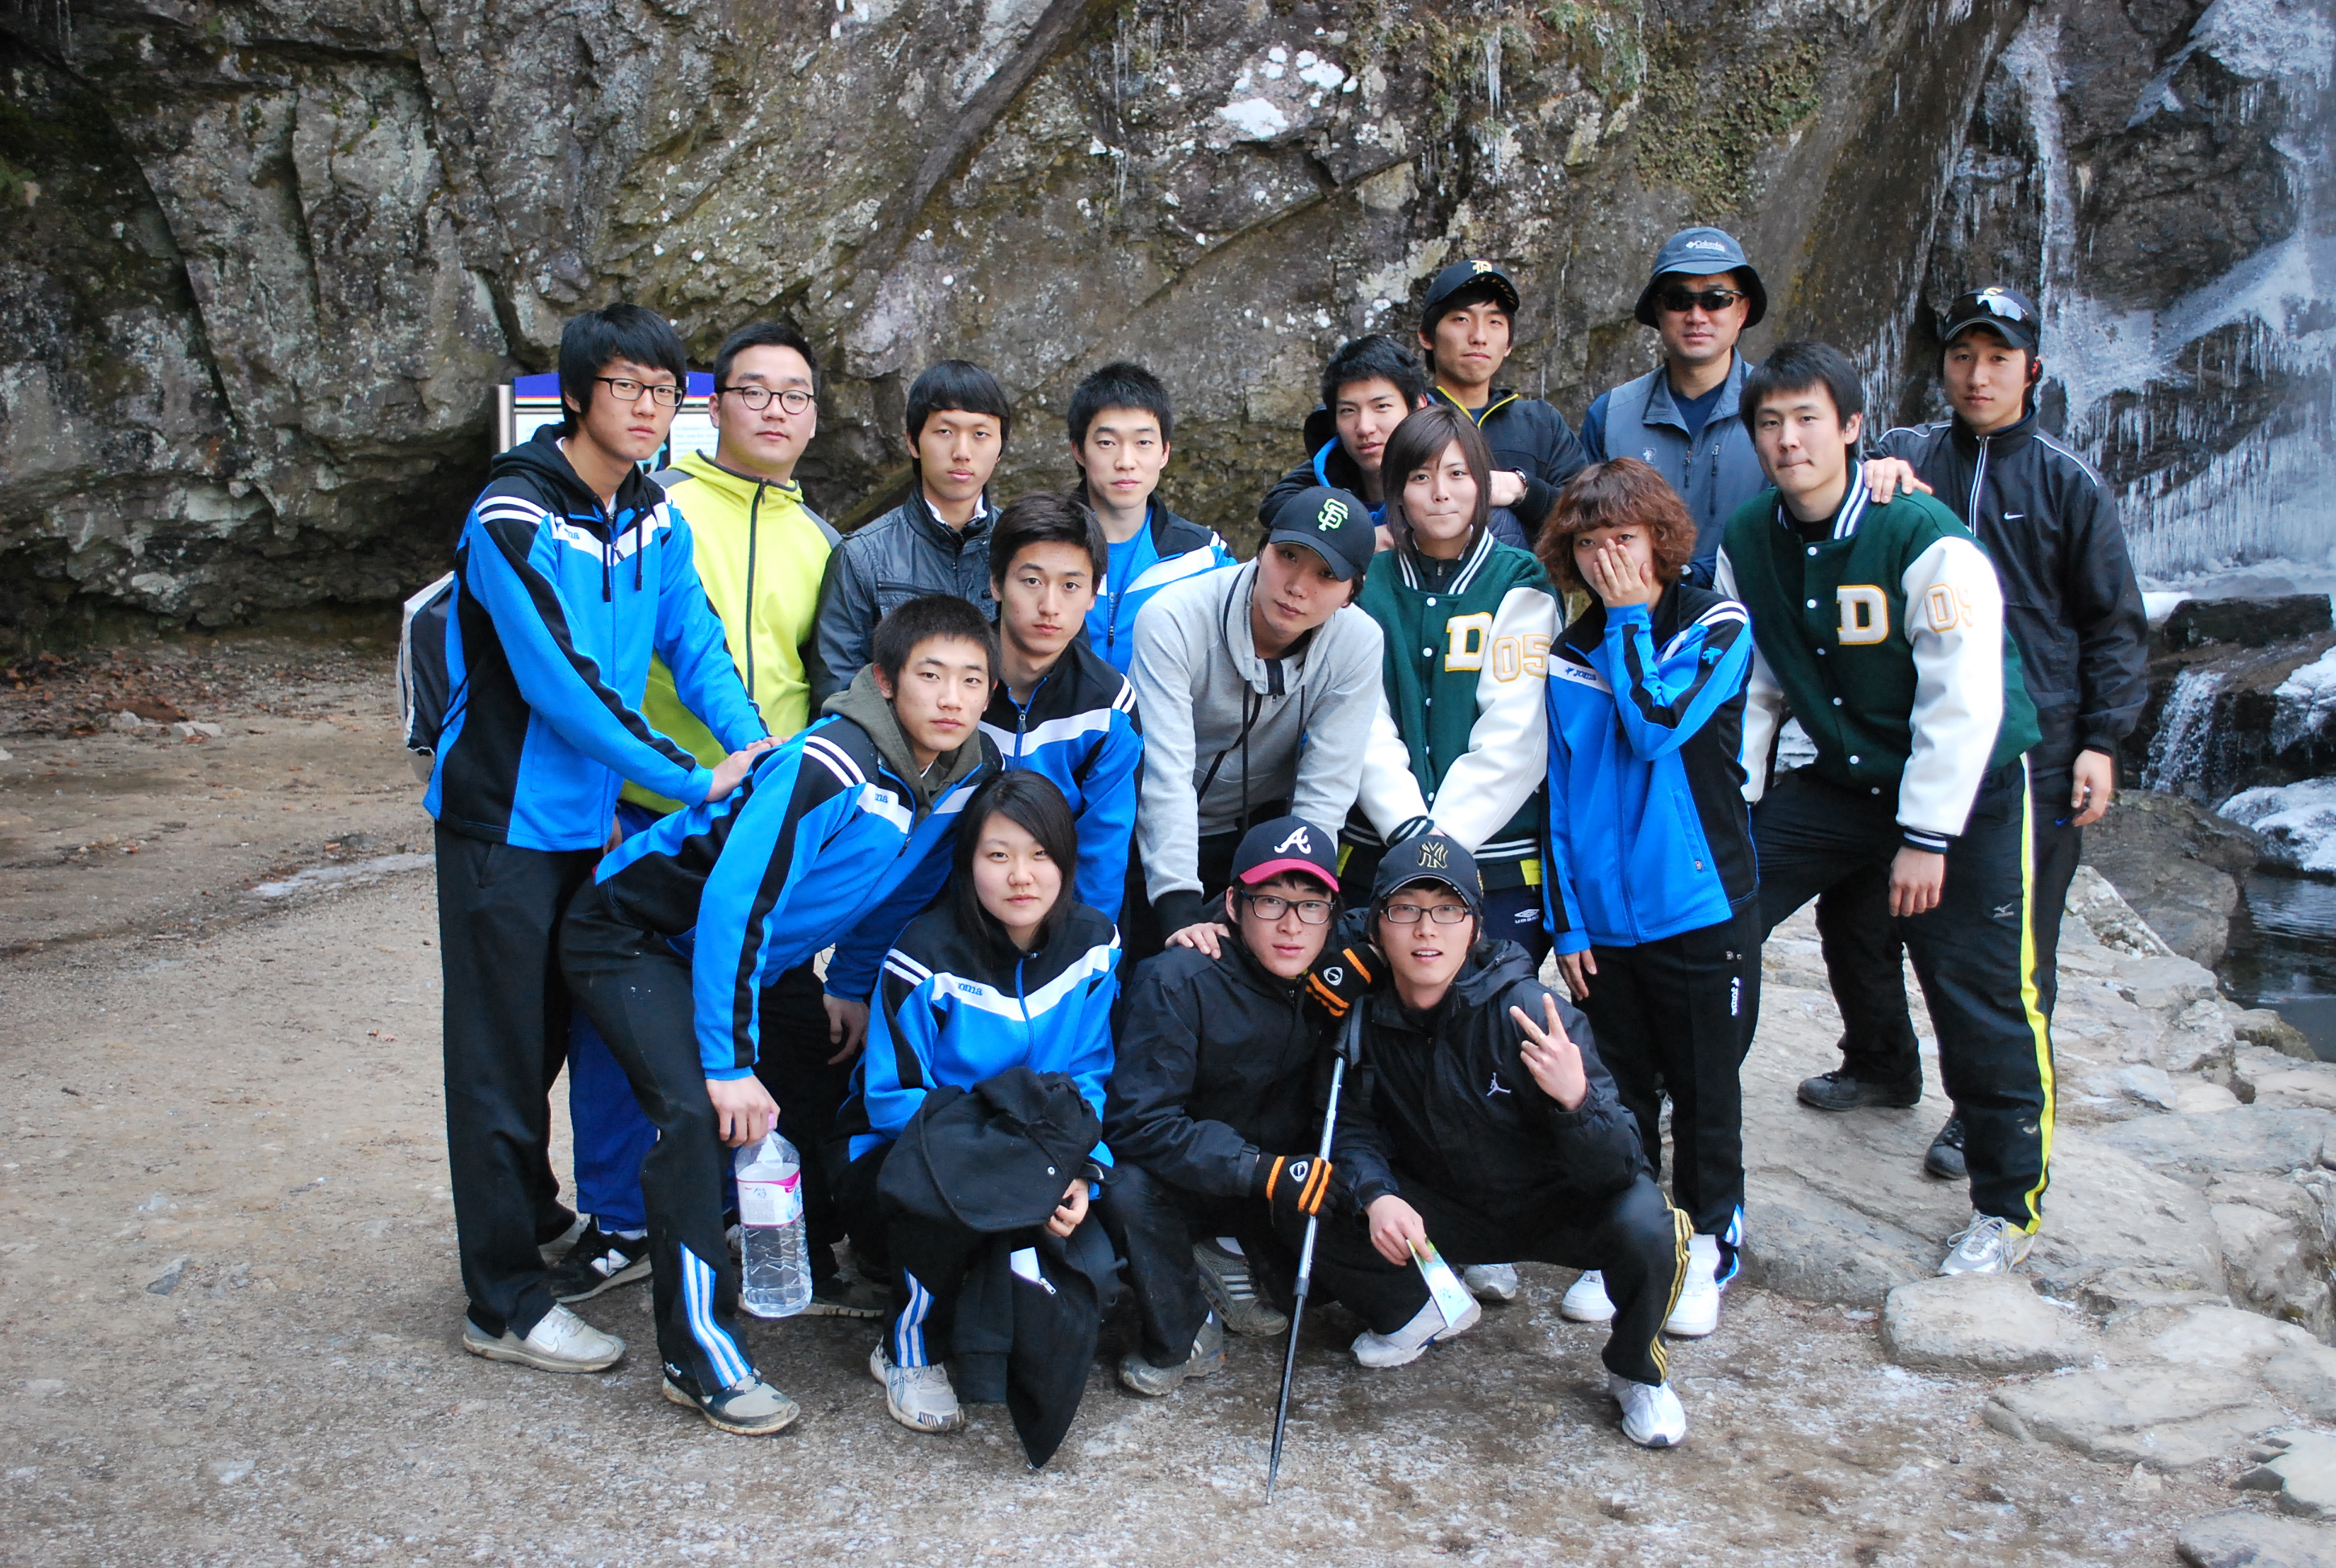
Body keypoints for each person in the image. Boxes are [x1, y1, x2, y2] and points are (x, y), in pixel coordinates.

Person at [557, 593, 1001, 1432]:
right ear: (885, 680)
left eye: (971, 679)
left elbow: (902, 886)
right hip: (640, 935)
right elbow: (736, 903)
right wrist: (726, 1062)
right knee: (697, 1116)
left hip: (765, 959)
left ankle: (812, 1263)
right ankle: (699, 1357)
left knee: (828, 1072)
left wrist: (850, 985)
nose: (951, 698)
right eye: (931, 675)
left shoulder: (965, 771)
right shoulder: (829, 763)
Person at [428, 302, 769, 1378]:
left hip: (596, 825)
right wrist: (691, 777)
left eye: (665, 390)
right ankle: (504, 1303)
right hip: (504, 825)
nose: (647, 407)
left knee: (561, 1035)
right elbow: (561, 685)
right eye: (626, 386)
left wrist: (753, 747)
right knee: (499, 1060)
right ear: (576, 395)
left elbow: (694, 640)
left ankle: (533, 1217)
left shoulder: (652, 514)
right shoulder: (512, 516)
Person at [555, 319, 883, 1319]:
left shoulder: (822, 541)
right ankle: (617, 1218)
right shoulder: (657, 508)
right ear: (714, 404)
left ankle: (736, 1208)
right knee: (619, 1021)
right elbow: (606, 660)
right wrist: (618, 796)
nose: (775, 411)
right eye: (754, 391)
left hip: (766, 818)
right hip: (652, 805)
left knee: (745, 999)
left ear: (815, 417)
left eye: (795, 396)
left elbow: (823, 683)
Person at [1715, 341, 2052, 1277]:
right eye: (1769, 423)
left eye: (1807, 419)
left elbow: (1963, 701)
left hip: (1965, 789)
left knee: (1976, 987)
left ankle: (2006, 1204)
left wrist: (1925, 838)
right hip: (1847, 778)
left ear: (1853, 428)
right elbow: (1755, 687)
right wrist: (1734, 810)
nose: (1788, 440)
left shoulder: (1921, 534)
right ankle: (1723, 1092)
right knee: (1715, 907)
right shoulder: (1749, 538)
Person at [1805, 287, 2149, 1184]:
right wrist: (1870, 470)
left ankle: (1981, 1111)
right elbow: (1825, 495)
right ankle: (1880, 1060)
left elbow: (2113, 624)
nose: (1978, 375)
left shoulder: (2068, 482)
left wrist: (2102, 741)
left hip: (2033, 751)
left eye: (1998, 359)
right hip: (1900, 738)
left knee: (2009, 945)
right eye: (1963, 356)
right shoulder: (1906, 455)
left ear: (2032, 371)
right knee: (1855, 914)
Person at [1308, 835, 1693, 1449]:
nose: (1426, 930)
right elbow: (1350, 1126)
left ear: (1475, 926)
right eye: (1405, 910)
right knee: (1309, 1191)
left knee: (1651, 1223)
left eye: (1448, 910)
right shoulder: (1363, 1013)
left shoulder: (1532, 1012)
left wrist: (1576, 1100)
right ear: (1378, 925)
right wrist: (1379, 1194)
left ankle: (1636, 1372)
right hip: (1445, 1211)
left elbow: (1623, 1165)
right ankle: (1417, 1309)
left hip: (1554, 1209)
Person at [1537, 457, 1759, 1341]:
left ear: (1661, 539)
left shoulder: (1715, 623)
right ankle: (1633, 1238)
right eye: (1590, 544)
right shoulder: (1568, 653)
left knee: (1704, 1086)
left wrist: (1629, 617)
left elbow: (1655, 724)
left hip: (1698, 906)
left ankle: (1707, 1245)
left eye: (1624, 539)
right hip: (1605, 919)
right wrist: (1568, 922)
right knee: (1621, 1090)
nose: (1608, 560)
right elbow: (1560, 796)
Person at [843, 771, 1119, 1441]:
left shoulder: (1093, 943)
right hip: (914, 1147)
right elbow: (892, 1098)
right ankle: (906, 1348)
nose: (1021, 876)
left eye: (1040, 854)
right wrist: (1004, 1167)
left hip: (1033, 1145)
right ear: (968, 864)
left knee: (1092, 1246)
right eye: (998, 855)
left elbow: (1089, 1072)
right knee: (940, 1212)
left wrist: (1082, 1169)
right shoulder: (923, 954)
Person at [1099, 815, 1350, 1395]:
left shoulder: (1331, 970)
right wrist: (1258, 1170)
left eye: (1312, 905)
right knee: (1124, 1186)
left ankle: (1226, 1254)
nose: (1292, 925)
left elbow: (1414, 930)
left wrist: (1368, 965)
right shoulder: (1178, 979)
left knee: (1326, 1279)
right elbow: (1138, 1123)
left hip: (1270, 1181)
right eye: (1271, 902)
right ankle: (1183, 1326)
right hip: (1194, 1179)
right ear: (1234, 905)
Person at [1128, 484, 1386, 957]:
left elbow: (1327, 785)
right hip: (1144, 831)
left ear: (1352, 591)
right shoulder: (1174, 617)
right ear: (1260, 550)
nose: (1298, 587)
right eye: (1288, 556)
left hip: (1259, 832)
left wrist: (1300, 898)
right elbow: (1166, 772)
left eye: (1326, 574)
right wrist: (1179, 907)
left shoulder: (1359, 643)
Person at [1579, 229, 1917, 582]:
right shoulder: (1611, 415)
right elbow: (1581, 530)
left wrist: (1879, 473)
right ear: (1658, 311)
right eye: (1679, 300)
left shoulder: (1784, 413)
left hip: (1761, 608)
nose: (1697, 316)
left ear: (1742, 311)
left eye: (1716, 300)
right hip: (1634, 608)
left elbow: (1833, 502)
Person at [1351, 405, 1558, 963]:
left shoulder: (1519, 579)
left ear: (1483, 483)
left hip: (1496, 863)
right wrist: (1410, 832)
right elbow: (1361, 722)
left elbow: (1517, 732)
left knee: (1491, 1005)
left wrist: (1440, 844)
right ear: (1397, 491)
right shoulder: (1367, 585)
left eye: (1458, 473)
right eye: (1420, 477)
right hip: (1378, 855)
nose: (1440, 493)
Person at [978, 491, 1144, 921]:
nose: (1049, 607)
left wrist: (1083, 945)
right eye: (1032, 581)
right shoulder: (952, 683)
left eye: (1070, 586)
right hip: (942, 915)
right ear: (997, 583)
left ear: (1093, 594)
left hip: (1051, 914)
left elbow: (1102, 853)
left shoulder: (1107, 705)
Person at [808, 359, 1011, 704]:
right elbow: (838, 693)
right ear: (913, 442)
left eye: (980, 434)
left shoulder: (1019, 547)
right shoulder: (862, 557)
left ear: (1000, 448)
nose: (962, 452)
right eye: (945, 432)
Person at [1066, 361, 1237, 672]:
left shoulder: (1202, 557)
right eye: (1107, 443)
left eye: (1143, 442)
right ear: (1078, 450)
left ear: (1164, 453)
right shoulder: (1041, 545)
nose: (1126, 461)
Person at [1415, 260, 1589, 540]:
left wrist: (1521, 489)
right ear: (1426, 336)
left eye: (1494, 322)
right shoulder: (1406, 416)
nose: (1479, 336)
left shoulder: (1542, 423)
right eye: (1461, 319)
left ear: (1508, 344)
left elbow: (1588, 513)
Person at [1256, 335, 1433, 528]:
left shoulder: (1452, 480)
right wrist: (1356, 537)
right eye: (1348, 411)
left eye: (1381, 406)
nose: (1364, 427)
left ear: (1418, 407)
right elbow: (1275, 505)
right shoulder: (1329, 468)